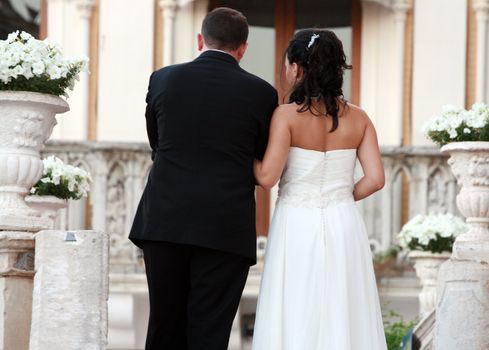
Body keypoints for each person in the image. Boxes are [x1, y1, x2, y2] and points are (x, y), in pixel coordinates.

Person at [129, 7, 278, 350]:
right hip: (225, 225)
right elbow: (259, 153)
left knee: (164, 325)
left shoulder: (162, 78)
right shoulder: (262, 93)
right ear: (243, 48)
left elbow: (158, 141)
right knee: (210, 331)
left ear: (200, 40)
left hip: (164, 219)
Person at [252, 29, 388, 349]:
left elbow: (268, 176)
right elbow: (376, 178)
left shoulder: (286, 116)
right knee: (344, 306)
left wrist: (240, 158)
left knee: (296, 305)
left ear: (297, 68)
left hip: (296, 221)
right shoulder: (360, 118)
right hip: (344, 221)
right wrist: (338, 196)